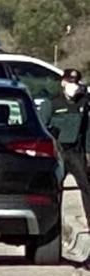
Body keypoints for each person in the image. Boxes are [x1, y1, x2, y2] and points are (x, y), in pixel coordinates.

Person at [43, 69, 90, 223]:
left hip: (76, 151)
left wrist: (88, 151)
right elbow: (42, 128)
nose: (73, 86)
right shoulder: (52, 103)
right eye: (70, 82)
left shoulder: (83, 103)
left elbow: (87, 128)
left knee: (86, 187)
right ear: (63, 83)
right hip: (58, 152)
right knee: (54, 190)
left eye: (76, 82)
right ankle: (53, 224)